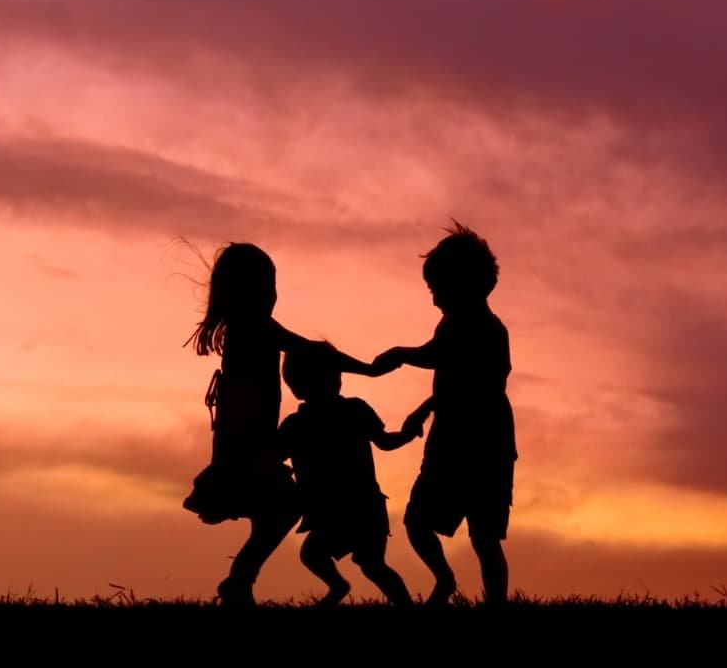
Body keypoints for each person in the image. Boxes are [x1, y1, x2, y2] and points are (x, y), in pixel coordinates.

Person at [183, 243, 384, 606]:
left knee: (273, 515)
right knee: (283, 510)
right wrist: (368, 369)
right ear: (256, 291)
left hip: (246, 443)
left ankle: (240, 581)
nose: (274, 294)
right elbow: (310, 350)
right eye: (270, 286)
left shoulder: (243, 329)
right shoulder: (256, 326)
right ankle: (240, 581)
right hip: (248, 445)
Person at [374, 223, 518, 607]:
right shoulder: (452, 325)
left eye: (438, 289)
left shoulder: (486, 330)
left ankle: (497, 603)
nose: (435, 298)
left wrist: (402, 354)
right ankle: (445, 578)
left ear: (465, 286)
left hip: (485, 445)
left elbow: (444, 362)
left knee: (485, 536)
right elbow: (450, 380)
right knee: (417, 521)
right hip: (449, 440)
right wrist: (422, 411)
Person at [278, 345, 416, 606]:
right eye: (333, 375)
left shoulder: (348, 411)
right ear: (298, 386)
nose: (337, 381)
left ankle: (401, 604)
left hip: (362, 505)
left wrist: (408, 432)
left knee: (370, 565)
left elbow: (384, 442)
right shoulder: (297, 424)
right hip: (335, 508)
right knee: (320, 556)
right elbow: (386, 442)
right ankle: (341, 587)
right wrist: (407, 434)